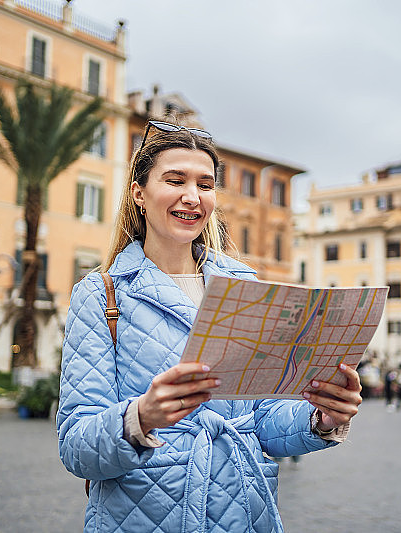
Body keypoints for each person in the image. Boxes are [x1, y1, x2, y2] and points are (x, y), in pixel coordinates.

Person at [57, 121, 363, 532]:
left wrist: (320, 418)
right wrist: (141, 417)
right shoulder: (101, 294)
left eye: (205, 184)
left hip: (242, 514)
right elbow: (76, 444)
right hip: (141, 518)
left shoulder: (245, 286)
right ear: (139, 194)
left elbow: (259, 420)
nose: (192, 196)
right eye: (175, 180)